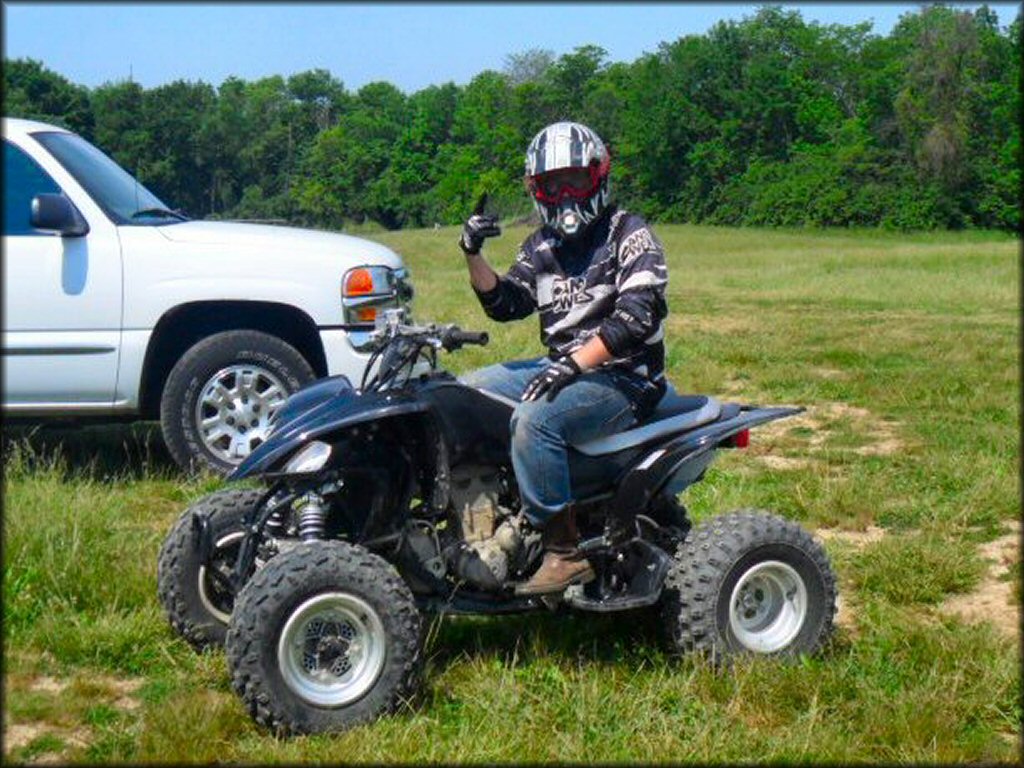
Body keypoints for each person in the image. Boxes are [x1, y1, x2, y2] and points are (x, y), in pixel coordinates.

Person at [458, 121, 669, 596]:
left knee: (537, 421)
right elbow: (506, 303)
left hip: (626, 379)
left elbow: (637, 317)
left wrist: (574, 363)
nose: (565, 193)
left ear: (599, 174)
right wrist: (471, 252)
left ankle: (563, 553)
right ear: (537, 191)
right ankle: (482, 519)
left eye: (574, 178)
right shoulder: (541, 246)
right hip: (566, 368)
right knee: (464, 393)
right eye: (551, 185)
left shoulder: (628, 234)